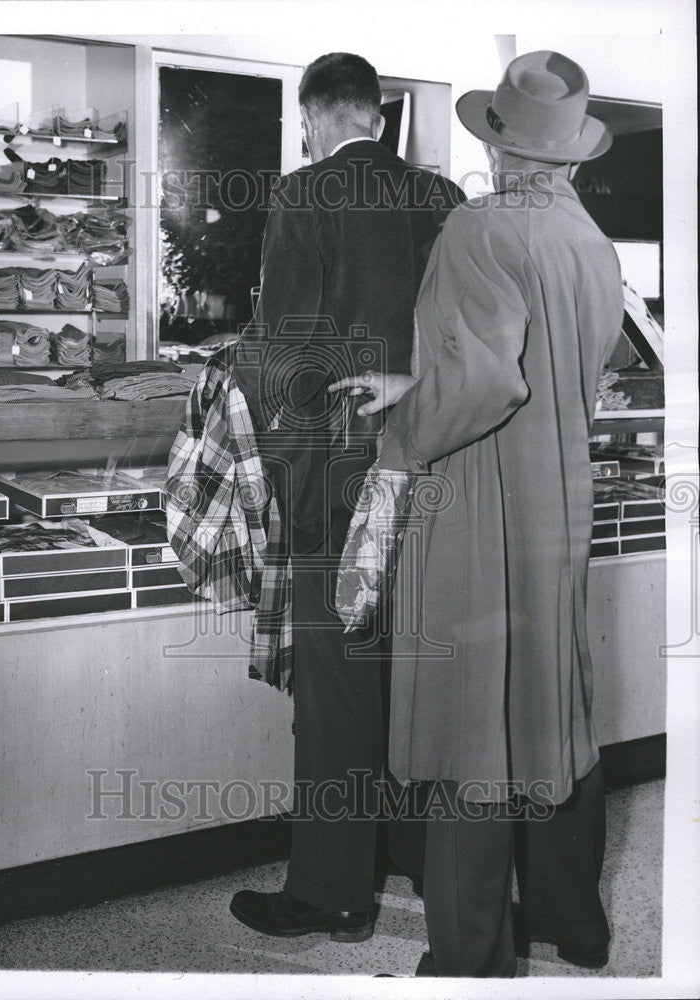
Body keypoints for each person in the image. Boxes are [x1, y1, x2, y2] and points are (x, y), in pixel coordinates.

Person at [330, 50, 623, 976]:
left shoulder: (478, 227)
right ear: (571, 156)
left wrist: (404, 434)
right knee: (552, 707)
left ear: (498, 148)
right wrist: (425, 380)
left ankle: (471, 957)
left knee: (471, 726)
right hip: (559, 507)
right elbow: (579, 363)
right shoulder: (590, 239)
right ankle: (576, 924)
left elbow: (488, 383)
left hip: (482, 507)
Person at [230, 52, 463, 940]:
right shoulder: (440, 200)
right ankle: (411, 859)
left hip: (339, 480)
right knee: (416, 679)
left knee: (337, 689)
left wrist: (289, 468)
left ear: (318, 115)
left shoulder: (301, 198)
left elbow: (285, 355)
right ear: (379, 111)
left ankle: (332, 892)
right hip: (435, 472)